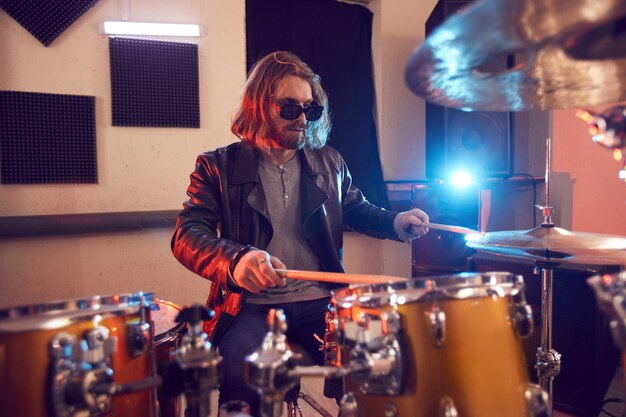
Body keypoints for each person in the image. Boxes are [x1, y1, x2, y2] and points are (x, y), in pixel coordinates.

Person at [171, 50, 429, 416]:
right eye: (290, 108)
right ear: (259, 106)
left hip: (320, 302)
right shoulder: (216, 167)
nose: (303, 119)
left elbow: (354, 208)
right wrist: (235, 259)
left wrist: (394, 222)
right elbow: (187, 234)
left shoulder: (329, 162)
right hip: (251, 306)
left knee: (377, 363)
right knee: (242, 373)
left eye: (311, 109)